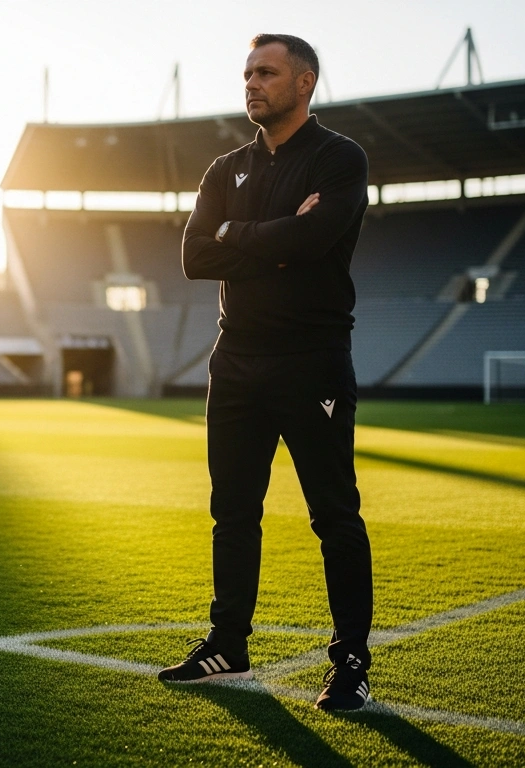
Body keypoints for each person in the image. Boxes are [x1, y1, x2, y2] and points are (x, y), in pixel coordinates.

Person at [155, 33, 373, 712]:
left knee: (333, 514)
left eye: (267, 73)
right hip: (237, 361)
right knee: (232, 511)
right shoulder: (226, 168)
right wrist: (273, 239)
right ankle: (227, 646)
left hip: (312, 361)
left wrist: (237, 239)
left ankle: (352, 663)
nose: (252, 83)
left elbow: (313, 243)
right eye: (248, 72)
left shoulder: (339, 159)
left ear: (304, 83)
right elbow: (194, 256)